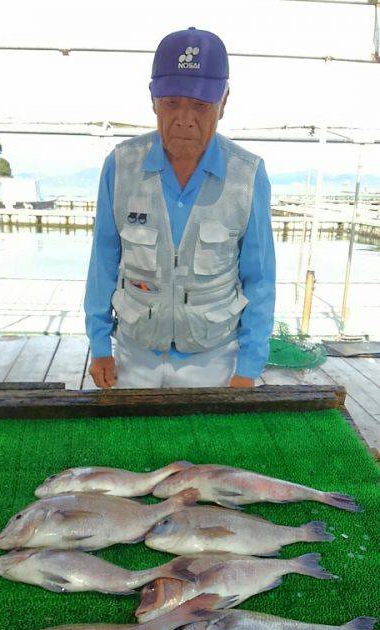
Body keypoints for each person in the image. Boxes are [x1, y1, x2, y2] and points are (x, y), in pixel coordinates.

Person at [84, 27, 276, 389]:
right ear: (153, 100)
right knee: (133, 443)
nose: (185, 119)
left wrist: (248, 368)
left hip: (214, 355)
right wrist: (99, 344)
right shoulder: (121, 165)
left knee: (206, 446)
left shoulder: (248, 175)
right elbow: (103, 260)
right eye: (172, 102)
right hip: (134, 351)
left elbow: (260, 278)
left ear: (224, 102)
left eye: (201, 106)